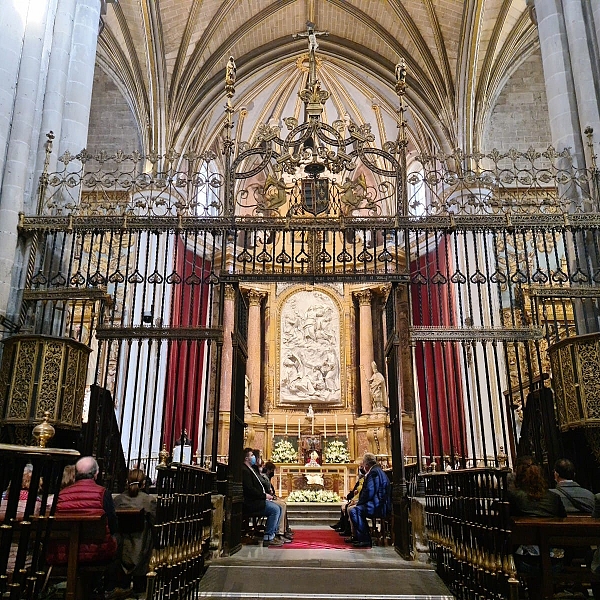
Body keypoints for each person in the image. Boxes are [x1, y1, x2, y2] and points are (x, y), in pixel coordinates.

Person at [46, 456, 118, 570]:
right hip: (97, 552)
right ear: (96, 474)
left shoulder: (61, 495)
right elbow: (113, 524)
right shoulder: (103, 493)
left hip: (64, 552)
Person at [113, 469, 157, 595]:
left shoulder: (118, 499)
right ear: (143, 483)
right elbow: (154, 523)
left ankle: (123, 586)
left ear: (127, 482)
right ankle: (140, 587)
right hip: (141, 544)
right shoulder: (148, 500)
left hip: (123, 544)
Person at [347, 453, 391, 548]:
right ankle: (362, 536)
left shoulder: (374, 473)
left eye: (363, 463)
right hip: (378, 503)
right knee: (355, 509)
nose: (362, 466)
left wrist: (359, 503)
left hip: (379, 505)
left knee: (355, 510)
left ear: (367, 464)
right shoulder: (376, 470)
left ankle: (365, 539)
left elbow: (369, 491)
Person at [241, 448, 283, 546]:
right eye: (252, 455)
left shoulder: (250, 469)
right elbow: (249, 489)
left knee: (279, 507)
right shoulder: (245, 470)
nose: (254, 458)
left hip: (257, 499)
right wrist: (264, 496)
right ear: (246, 458)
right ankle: (268, 537)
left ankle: (273, 534)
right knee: (275, 509)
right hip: (251, 502)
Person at [262, 462, 293, 541]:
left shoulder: (263, 475)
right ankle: (279, 532)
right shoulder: (261, 475)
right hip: (262, 499)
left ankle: (284, 529)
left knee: (283, 504)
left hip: (267, 497)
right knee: (281, 506)